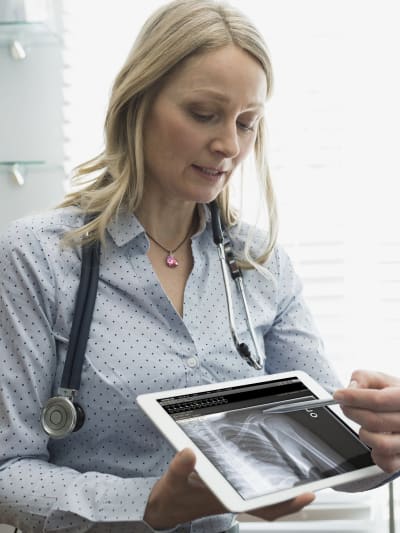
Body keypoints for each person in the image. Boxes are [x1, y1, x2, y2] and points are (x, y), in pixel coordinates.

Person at [0, 1, 399, 531]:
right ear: (137, 103)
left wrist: (380, 443)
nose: (229, 146)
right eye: (203, 114)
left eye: (247, 123)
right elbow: (8, 470)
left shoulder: (260, 266)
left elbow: (327, 449)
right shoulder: (38, 258)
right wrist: (152, 503)